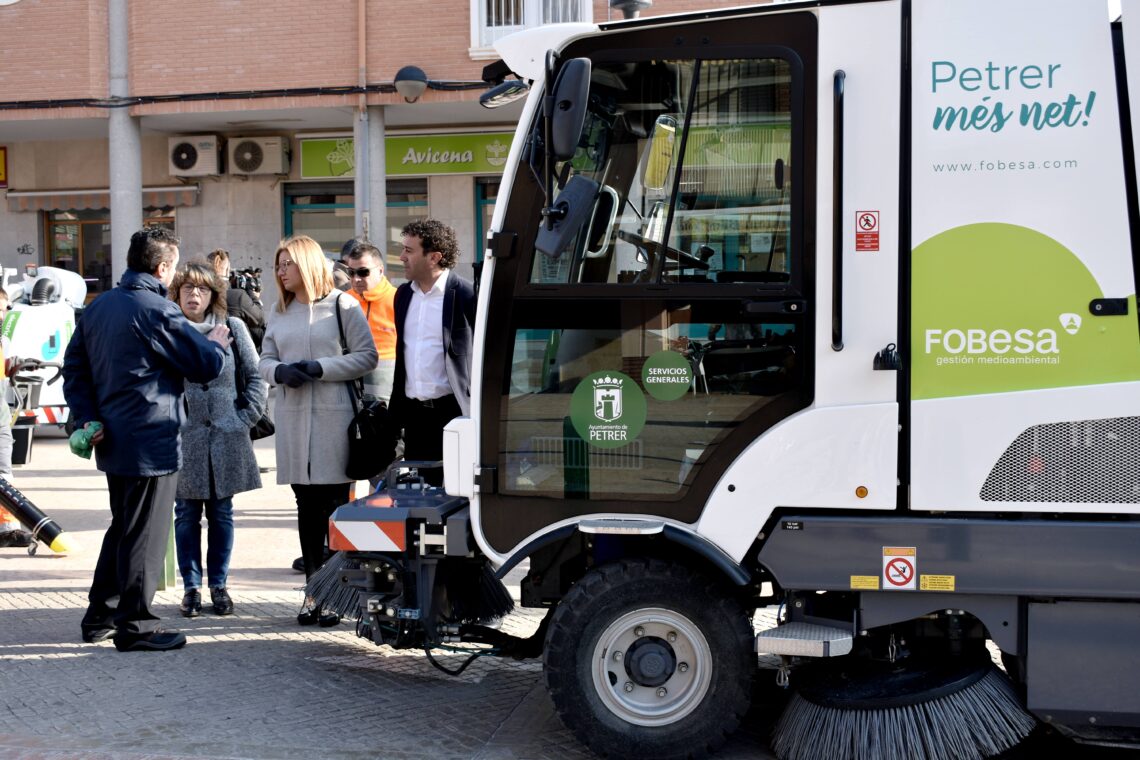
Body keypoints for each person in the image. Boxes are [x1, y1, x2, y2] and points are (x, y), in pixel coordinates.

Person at [63, 228, 229, 652]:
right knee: (146, 534)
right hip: (151, 437)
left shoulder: (99, 308)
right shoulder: (157, 309)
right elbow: (204, 364)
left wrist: (85, 419)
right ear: (162, 267)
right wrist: (217, 345)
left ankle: (100, 614)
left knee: (124, 527)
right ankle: (134, 626)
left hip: (112, 436)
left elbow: (75, 368)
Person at [258, 234, 376, 626]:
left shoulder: (342, 306)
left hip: (332, 419)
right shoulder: (278, 309)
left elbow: (366, 356)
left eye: (286, 263)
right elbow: (264, 360)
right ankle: (313, 591)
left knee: (335, 510)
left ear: (306, 264)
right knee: (306, 508)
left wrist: (320, 368)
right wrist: (279, 372)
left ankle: (337, 594)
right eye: (278, 264)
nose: (280, 270)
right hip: (293, 421)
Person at [169, 262, 267, 618]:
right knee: (186, 516)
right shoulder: (170, 329)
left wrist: (243, 418)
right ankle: (191, 588)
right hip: (185, 438)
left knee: (223, 514)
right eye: (187, 289)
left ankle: (219, 586)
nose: (194, 295)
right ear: (176, 293)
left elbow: (256, 377)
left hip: (227, 434)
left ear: (213, 295)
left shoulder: (233, 326)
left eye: (202, 289)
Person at [391, 219, 476, 487]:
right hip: (415, 419)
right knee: (423, 497)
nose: (402, 257)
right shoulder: (403, 295)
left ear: (434, 257)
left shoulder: (466, 295)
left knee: (457, 494)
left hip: (454, 414)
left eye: (409, 250)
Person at [343, 240, 397, 405]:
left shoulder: (398, 299)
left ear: (380, 271)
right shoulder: (343, 300)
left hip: (387, 390)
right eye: (351, 273)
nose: (356, 279)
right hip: (349, 381)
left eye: (363, 272)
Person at [0, 288, 32, 548]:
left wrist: (13, 365)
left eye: (5, 309)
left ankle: (7, 530)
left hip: (0, 417)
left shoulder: (2, 341)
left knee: (4, 473)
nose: (2, 315)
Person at [207, 249, 266, 351]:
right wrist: (253, 295)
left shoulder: (202, 294)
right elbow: (260, 318)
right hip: (240, 353)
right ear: (227, 270)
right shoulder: (238, 296)